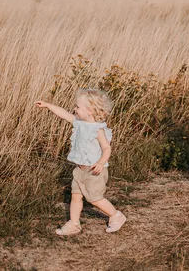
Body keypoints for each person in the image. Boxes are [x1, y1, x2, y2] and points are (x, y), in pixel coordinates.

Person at [36, 88, 126, 235]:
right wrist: (48, 105)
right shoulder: (79, 122)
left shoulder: (98, 129)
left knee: (95, 198)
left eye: (77, 107)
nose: (74, 109)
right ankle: (74, 223)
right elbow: (64, 114)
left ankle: (116, 215)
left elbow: (106, 148)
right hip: (79, 170)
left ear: (90, 111)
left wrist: (101, 162)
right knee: (76, 195)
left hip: (94, 170)